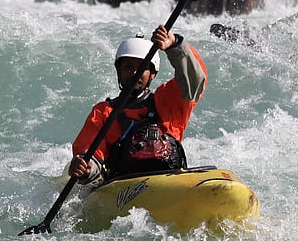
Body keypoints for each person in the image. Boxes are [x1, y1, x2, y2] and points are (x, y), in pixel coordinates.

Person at [68, 24, 207, 185]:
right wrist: (85, 168)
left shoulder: (168, 100)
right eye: (128, 67)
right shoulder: (104, 112)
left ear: (153, 74)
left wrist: (175, 45)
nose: (134, 73)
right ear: (119, 71)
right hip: (124, 187)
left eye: (142, 68)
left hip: (170, 182)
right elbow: (92, 157)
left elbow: (195, 81)